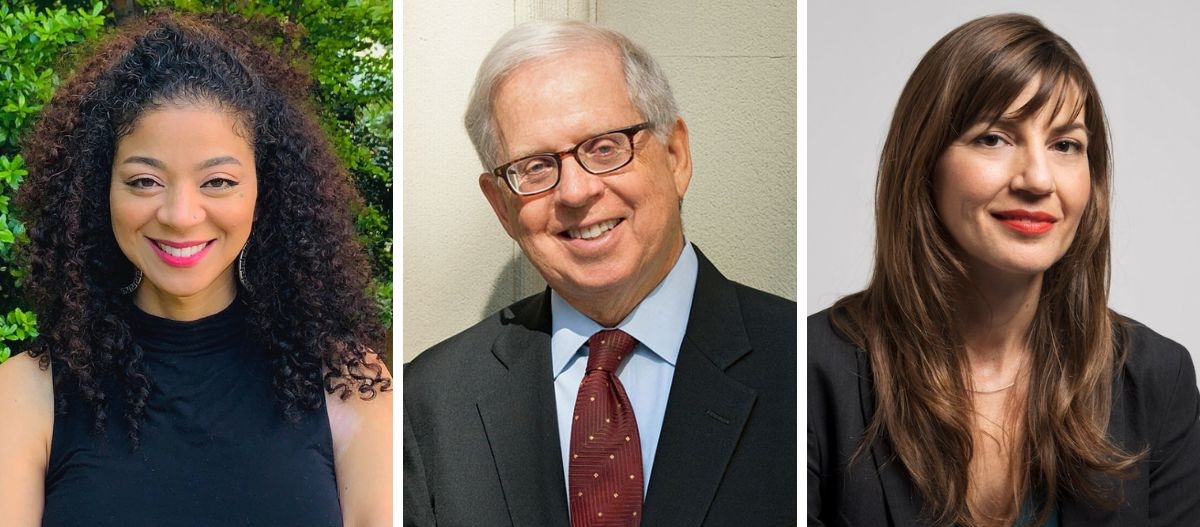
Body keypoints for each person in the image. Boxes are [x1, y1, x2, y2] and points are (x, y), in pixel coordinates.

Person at [0, 11, 392, 526]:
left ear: (264, 192)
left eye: (218, 182)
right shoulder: (26, 395)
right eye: (144, 181)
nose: (180, 216)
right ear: (100, 191)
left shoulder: (348, 383)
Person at [808, 13, 1200, 527]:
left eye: (1066, 145)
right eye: (994, 138)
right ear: (924, 163)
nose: (1039, 179)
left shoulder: (1156, 378)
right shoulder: (811, 371)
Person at [403, 19, 797, 526]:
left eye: (604, 147)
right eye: (535, 166)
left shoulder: (798, 365)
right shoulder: (431, 404)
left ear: (675, 156)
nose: (575, 191)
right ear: (502, 205)